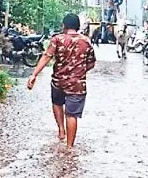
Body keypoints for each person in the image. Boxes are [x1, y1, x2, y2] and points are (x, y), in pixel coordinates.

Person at [27, 14, 96, 148]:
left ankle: (61, 130)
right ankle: (69, 148)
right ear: (78, 26)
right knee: (71, 115)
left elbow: (47, 57)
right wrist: (79, 72)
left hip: (58, 81)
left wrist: (34, 74)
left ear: (64, 26)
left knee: (57, 103)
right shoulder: (86, 42)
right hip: (77, 84)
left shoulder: (57, 40)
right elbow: (91, 63)